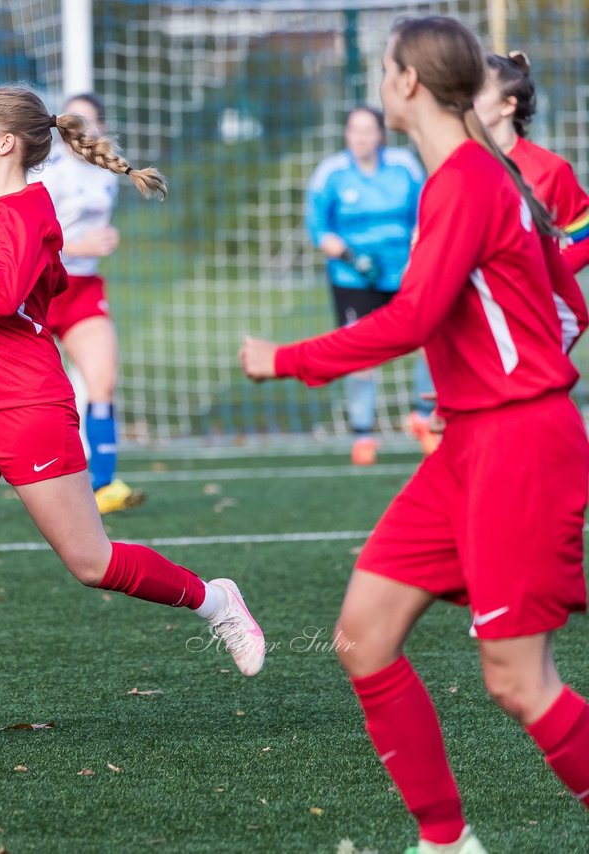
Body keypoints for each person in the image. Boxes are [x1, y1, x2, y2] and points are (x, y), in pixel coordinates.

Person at [0, 85, 266, 755]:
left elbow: (0, 298)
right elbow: (43, 283)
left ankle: (216, 601)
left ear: (6, 142)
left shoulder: (28, 208)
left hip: (27, 410)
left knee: (91, 563)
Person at [241, 16, 589, 853]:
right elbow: (565, 306)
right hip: (475, 439)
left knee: (518, 681)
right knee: (364, 635)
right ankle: (445, 842)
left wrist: (286, 358)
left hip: (516, 448)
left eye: (380, 66)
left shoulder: (469, 179)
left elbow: (414, 317)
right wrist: (479, 380)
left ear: (406, 83)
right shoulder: (468, 176)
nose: (375, 79)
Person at [29, 92, 142, 514]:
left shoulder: (108, 173)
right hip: (39, 290)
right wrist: (78, 243)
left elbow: (96, 231)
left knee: (102, 381)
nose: (81, 129)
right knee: (31, 396)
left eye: (89, 121)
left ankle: (104, 485)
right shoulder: (44, 175)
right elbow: (30, 241)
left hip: (84, 290)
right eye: (73, 121)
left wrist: (104, 240)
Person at [305, 106, 437, 464]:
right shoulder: (331, 173)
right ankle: (363, 433)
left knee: (429, 342)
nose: (360, 137)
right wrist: (351, 257)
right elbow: (318, 229)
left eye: (368, 131)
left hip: (405, 274)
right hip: (353, 278)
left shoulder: (404, 167)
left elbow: (425, 214)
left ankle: (424, 418)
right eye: (353, 130)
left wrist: (415, 254)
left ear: (381, 134)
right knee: (362, 355)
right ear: (346, 134)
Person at [475, 50, 589, 277]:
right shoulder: (456, 167)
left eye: (479, 90)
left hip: (533, 308)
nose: (467, 98)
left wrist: (545, 279)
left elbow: (584, 237)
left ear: (508, 105)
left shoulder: (550, 169)